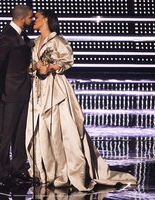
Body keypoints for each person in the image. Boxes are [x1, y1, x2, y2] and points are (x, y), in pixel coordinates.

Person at [25, 9, 137, 191]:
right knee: (40, 131)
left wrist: (52, 66)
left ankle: (66, 172)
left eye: (36, 17)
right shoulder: (35, 42)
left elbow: (67, 61)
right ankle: (47, 170)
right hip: (38, 89)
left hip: (56, 90)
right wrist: (36, 66)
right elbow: (29, 66)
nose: (33, 21)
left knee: (62, 131)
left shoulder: (58, 40)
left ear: (45, 19)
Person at [0, 5, 33, 186]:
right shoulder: (7, 35)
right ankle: (1, 171)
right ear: (23, 19)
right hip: (9, 92)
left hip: (22, 91)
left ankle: (18, 168)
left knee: (20, 132)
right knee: (6, 133)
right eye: (30, 18)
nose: (32, 21)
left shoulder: (22, 35)